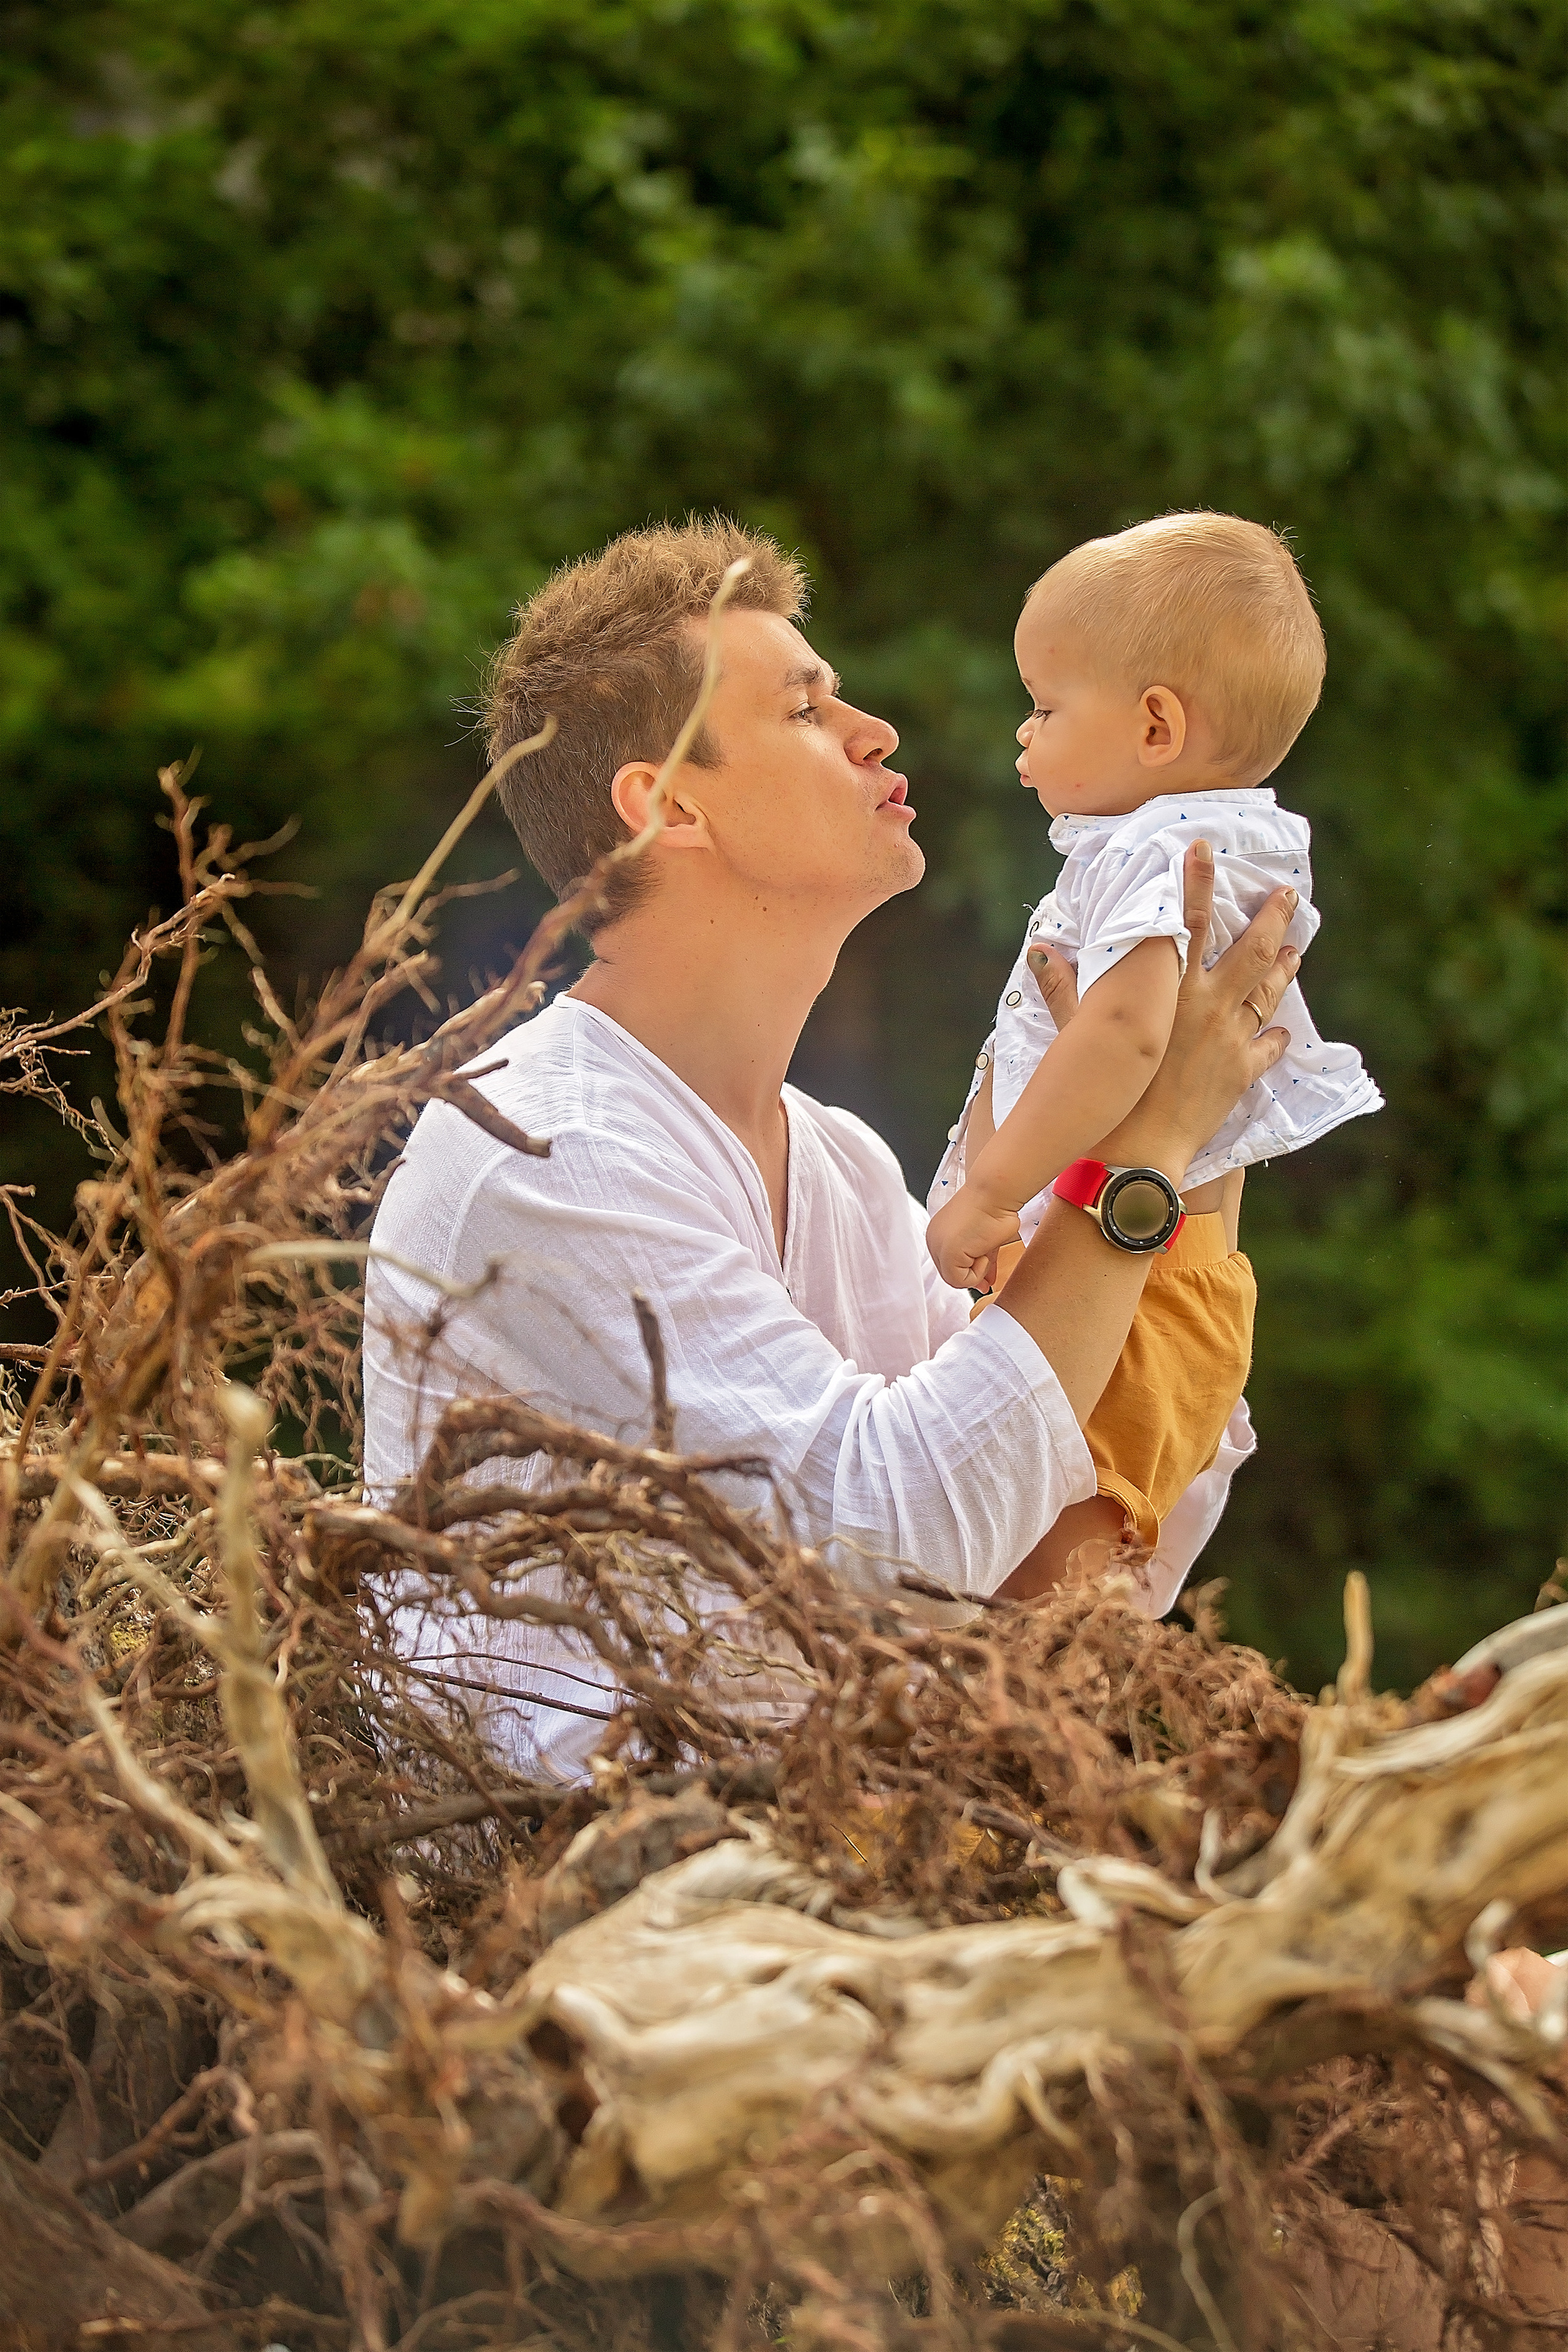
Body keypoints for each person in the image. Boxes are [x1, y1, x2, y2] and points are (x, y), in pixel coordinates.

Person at [363, 519, 1300, 1782]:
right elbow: (912, 1534)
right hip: (558, 1921)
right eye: (806, 710)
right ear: (668, 808)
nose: (876, 732)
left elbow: (1061, 1565)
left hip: (814, 1894)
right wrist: (1146, 1151)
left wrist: (1209, 1124)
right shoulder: (543, 1147)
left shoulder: (848, 1169)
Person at [927, 514, 1381, 1590]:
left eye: (1045, 707)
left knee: (1046, 1598)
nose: (1023, 737)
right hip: (1168, 1266)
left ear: (1158, 726)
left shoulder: (1154, 853)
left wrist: (993, 1192)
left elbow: (1130, 1037)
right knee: (1051, 1588)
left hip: (1137, 1283)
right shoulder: (1190, 844)